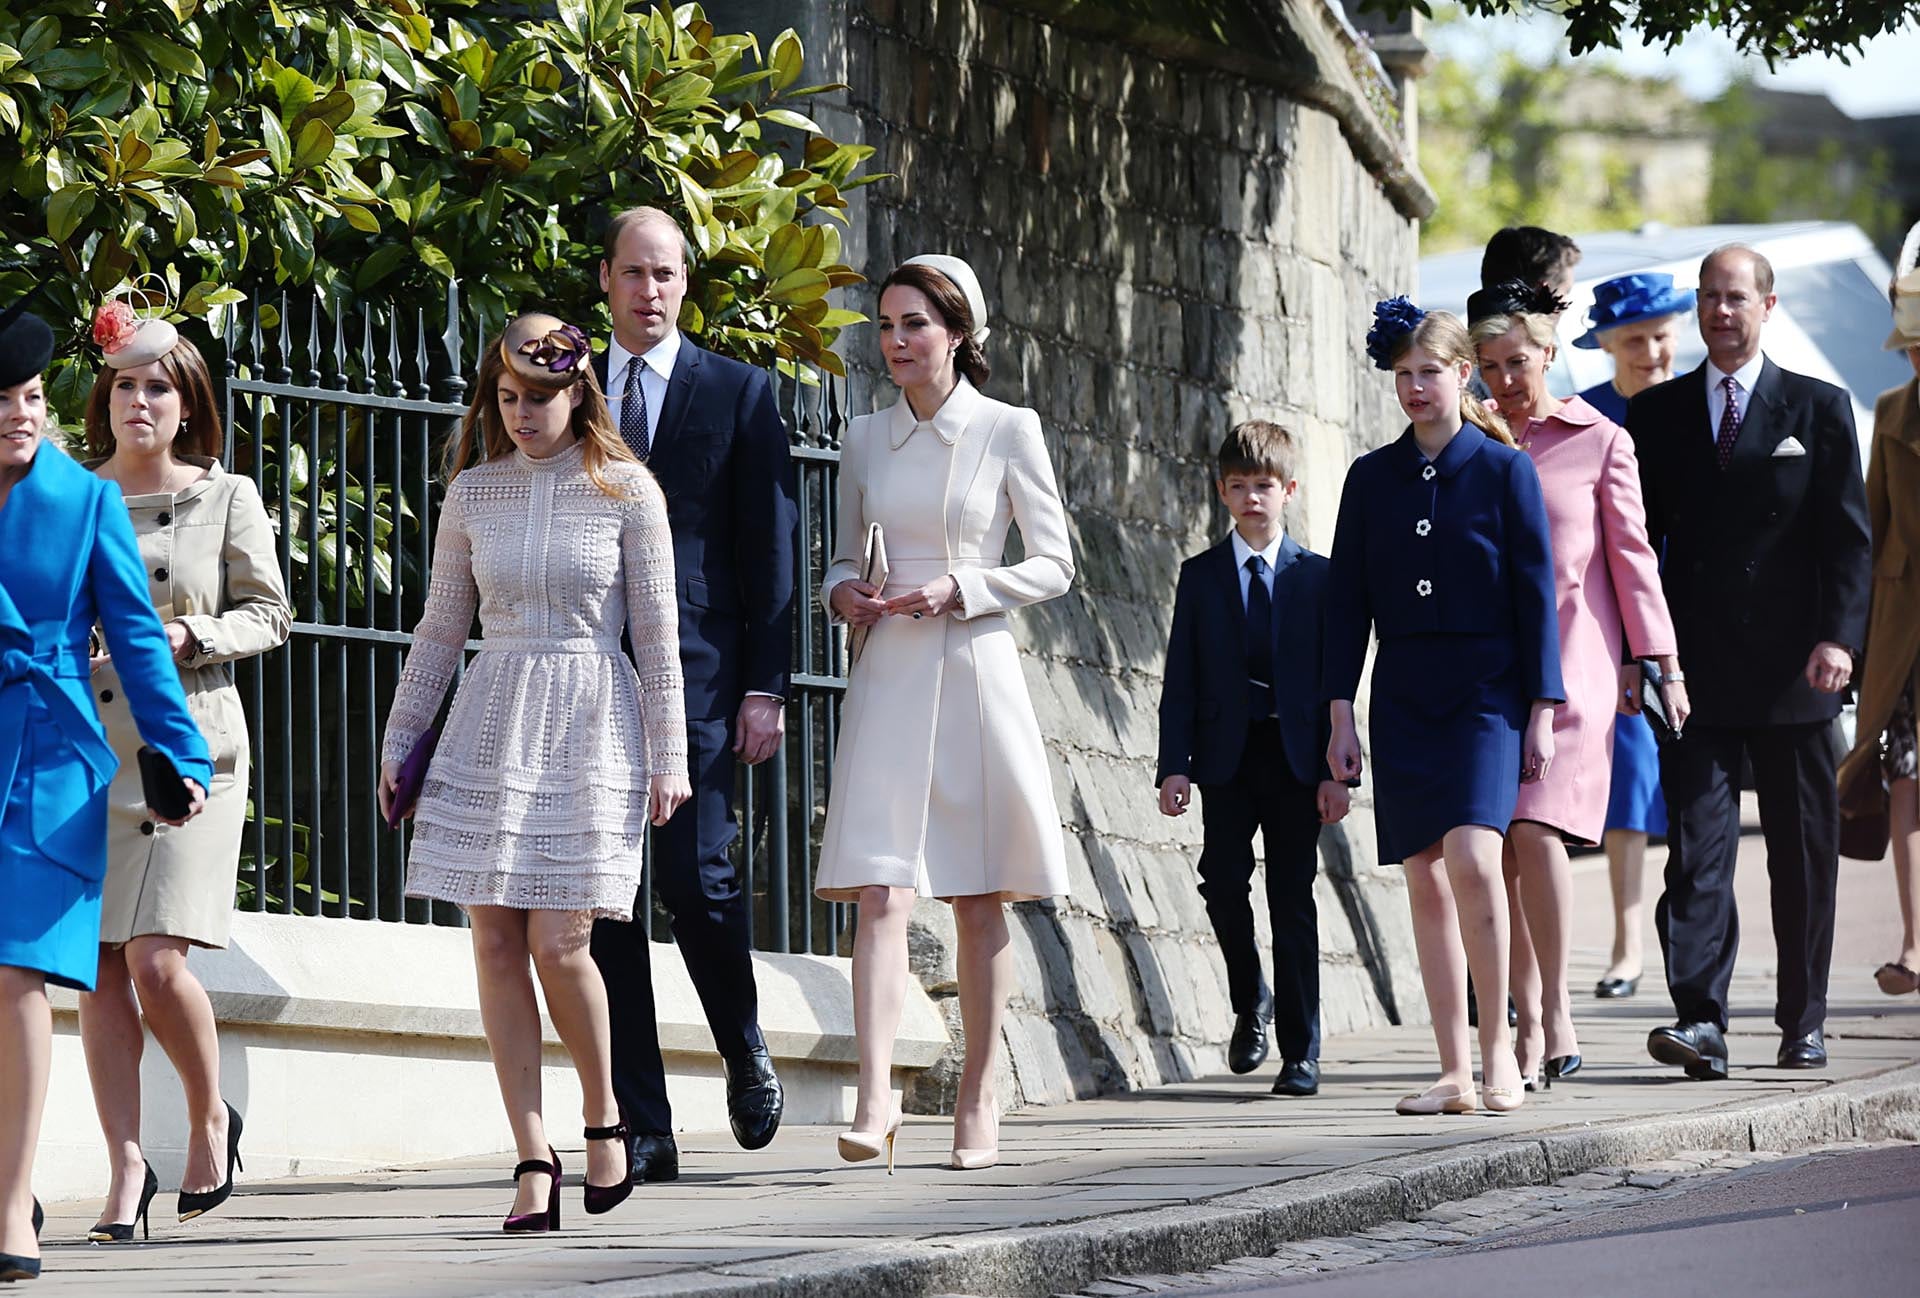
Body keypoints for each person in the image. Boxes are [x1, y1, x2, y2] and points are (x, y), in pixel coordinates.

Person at [378, 314, 689, 1231]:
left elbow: (661, 636)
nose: (522, 413)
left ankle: (604, 1117)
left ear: (578, 394)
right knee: (493, 943)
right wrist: (401, 741)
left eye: (541, 397)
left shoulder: (630, 490)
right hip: (491, 714)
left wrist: (670, 755)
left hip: (595, 717)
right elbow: (440, 628)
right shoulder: (472, 493)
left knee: (564, 943)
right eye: (508, 398)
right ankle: (529, 1153)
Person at [816, 254, 1073, 1170]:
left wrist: (962, 587)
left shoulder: (1010, 429)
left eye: (914, 325)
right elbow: (842, 557)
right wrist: (843, 593)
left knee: (974, 893)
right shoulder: (860, 437)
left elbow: (1054, 563)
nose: (895, 343)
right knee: (883, 888)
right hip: (889, 672)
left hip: (972, 669)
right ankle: (875, 1092)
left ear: (959, 332)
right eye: (885, 327)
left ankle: (979, 1094)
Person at [0, 299, 210, 1283]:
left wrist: (179, 755)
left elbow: (134, 634)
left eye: (34, 397)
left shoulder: (82, 500)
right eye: (4, 401)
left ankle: (10, 1205)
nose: (23, 416)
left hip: (47, 759)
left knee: (15, 978)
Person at [588, 207, 799, 1182]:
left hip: (704, 671)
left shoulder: (742, 393)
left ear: (685, 282)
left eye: (666, 273)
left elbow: (771, 549)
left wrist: (767, 683)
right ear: (606, 279)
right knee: (604, 898)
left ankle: (743, 1044)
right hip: (587, 671)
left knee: (695, 875)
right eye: (634, 272)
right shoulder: (569, 386)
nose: (651, 289)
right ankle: (644, 1121)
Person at [75, 307, 291, 1241]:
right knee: (94, 971)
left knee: (158, 959)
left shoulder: (228, 495)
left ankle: (208, 1117)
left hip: (190, 751)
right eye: (126, 384)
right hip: (86, 751)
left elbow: (270, 615)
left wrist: (190, 633)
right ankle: (126, 1166)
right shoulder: (72, 494)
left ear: (188, 401)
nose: (140, 401)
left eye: (159, 385)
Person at [1632, 246, 1871, 1079]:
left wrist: (1840, 638)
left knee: (1803, 856)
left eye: (1736, 298)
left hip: (1797, 675)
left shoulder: (1819, 408)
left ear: (1767, 307)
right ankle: (1700, 1018)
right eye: (1709, 298)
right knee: (1697, 854)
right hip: (1693, 677)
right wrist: (1643, 654)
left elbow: (1850, 542)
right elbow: (1639, 552)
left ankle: (1803, 1022)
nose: (1721, 311)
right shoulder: (1657, 417)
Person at [1325, 299, 1561, 1116]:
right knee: (1424, 876)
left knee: (1471, 856)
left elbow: (1536, 597)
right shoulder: (1368, 478)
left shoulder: (1506, 472)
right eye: (1403, 376)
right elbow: (1346, 605)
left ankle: (1501, 1052)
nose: (1416, 389)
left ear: (1464, 376)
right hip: (1403, 693)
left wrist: (1542, 707)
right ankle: (1453, 1070)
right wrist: (1338, 713)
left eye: (1430, 372)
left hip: (1487, 692)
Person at [1469, 281, 1686, 1089]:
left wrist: (1658, 660)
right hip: (1492, 671)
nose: (1504, 380)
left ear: (1549, 354)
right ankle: (1524, 1018)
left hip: (1579, 666)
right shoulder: (1471, 443)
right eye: (1487, 366)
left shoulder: (1600, 439)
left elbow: (1633, 561)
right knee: (1503, 854)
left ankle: (1552, 1010)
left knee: (1534, 829)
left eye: (1516, 361)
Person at [1156, 420, 1349, 1098]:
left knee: (1292, 898)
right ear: (1221, 492)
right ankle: (1251, 998)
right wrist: (1172, 765)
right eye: (1237, 486)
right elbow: (1181, 675)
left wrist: (1337, 772)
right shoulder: (1201, 576)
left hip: (1297, 760)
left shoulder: (1320, 579)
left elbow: (1337, 684)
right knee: (1222, 882)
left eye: (1263, 486)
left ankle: (1302, 1053)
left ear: (1288, 489)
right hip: (1225, 758)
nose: (1251, 498)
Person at [1570, 273, 1696, 999]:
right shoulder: (1589, 417)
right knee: (1632, 779)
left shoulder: (1702, 404)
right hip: (1620, 626)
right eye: (1636, 340)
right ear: (1610, 346)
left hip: (1704, 614)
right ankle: (1625, 945)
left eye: (1660, 336)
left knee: (1699, 792)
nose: (1652, 351)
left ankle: (1694, 940)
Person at [1838, 224, 1920, 999]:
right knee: (1905, 780)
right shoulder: (1892, 411)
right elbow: (1869, 530)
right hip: (1904, 634)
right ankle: (1913, 943)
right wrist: (1858, 648)